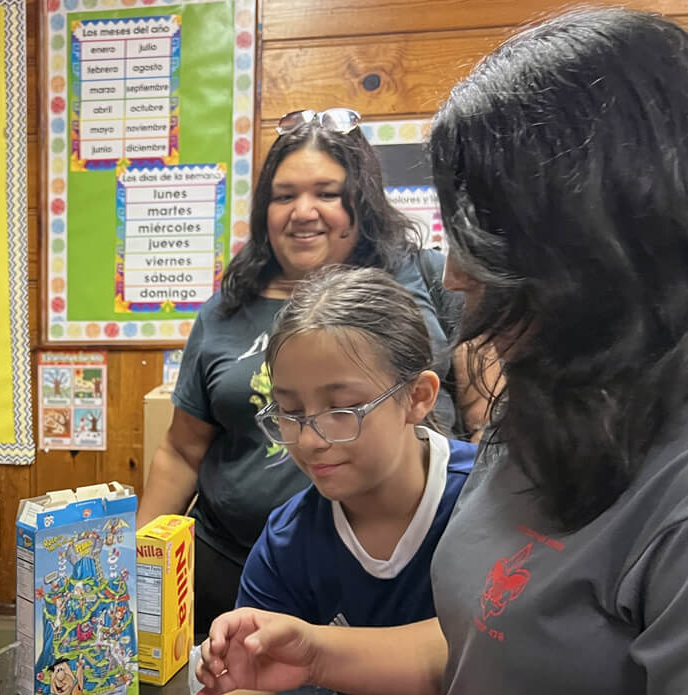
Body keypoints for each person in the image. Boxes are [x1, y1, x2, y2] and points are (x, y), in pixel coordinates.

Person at [191, 9, 688, 695]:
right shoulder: (559, 401)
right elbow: (501, 650)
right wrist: (319, 652)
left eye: (487, 234)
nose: (462, 272)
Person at [66, 265, 476, 695]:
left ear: (419, 396)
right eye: (289, 412)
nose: (311, 439)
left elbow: (481, 672)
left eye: (342, 409)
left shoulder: (481, 509)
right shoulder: (291, 539)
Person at [136, 109, 460, 635]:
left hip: (404, 568)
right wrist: (140, 558)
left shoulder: (424, 276)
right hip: (236, 565)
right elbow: (182, 447)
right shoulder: (226, 309)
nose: (302, 211)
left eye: (326, 192)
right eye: (284, 196)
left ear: (362, 200)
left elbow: (484, 410)